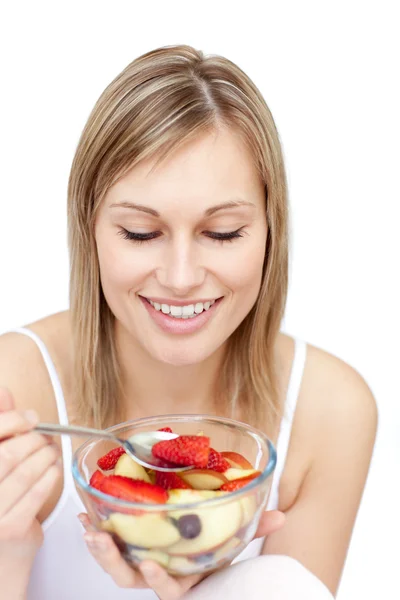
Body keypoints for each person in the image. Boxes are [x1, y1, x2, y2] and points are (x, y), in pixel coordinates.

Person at [0, 45, 377, 600]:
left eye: (222, 233)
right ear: (90, 232)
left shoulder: (332, 411)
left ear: (271, 232)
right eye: (140, 233)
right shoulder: (15, 387)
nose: (180, 278)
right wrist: (9, 551)